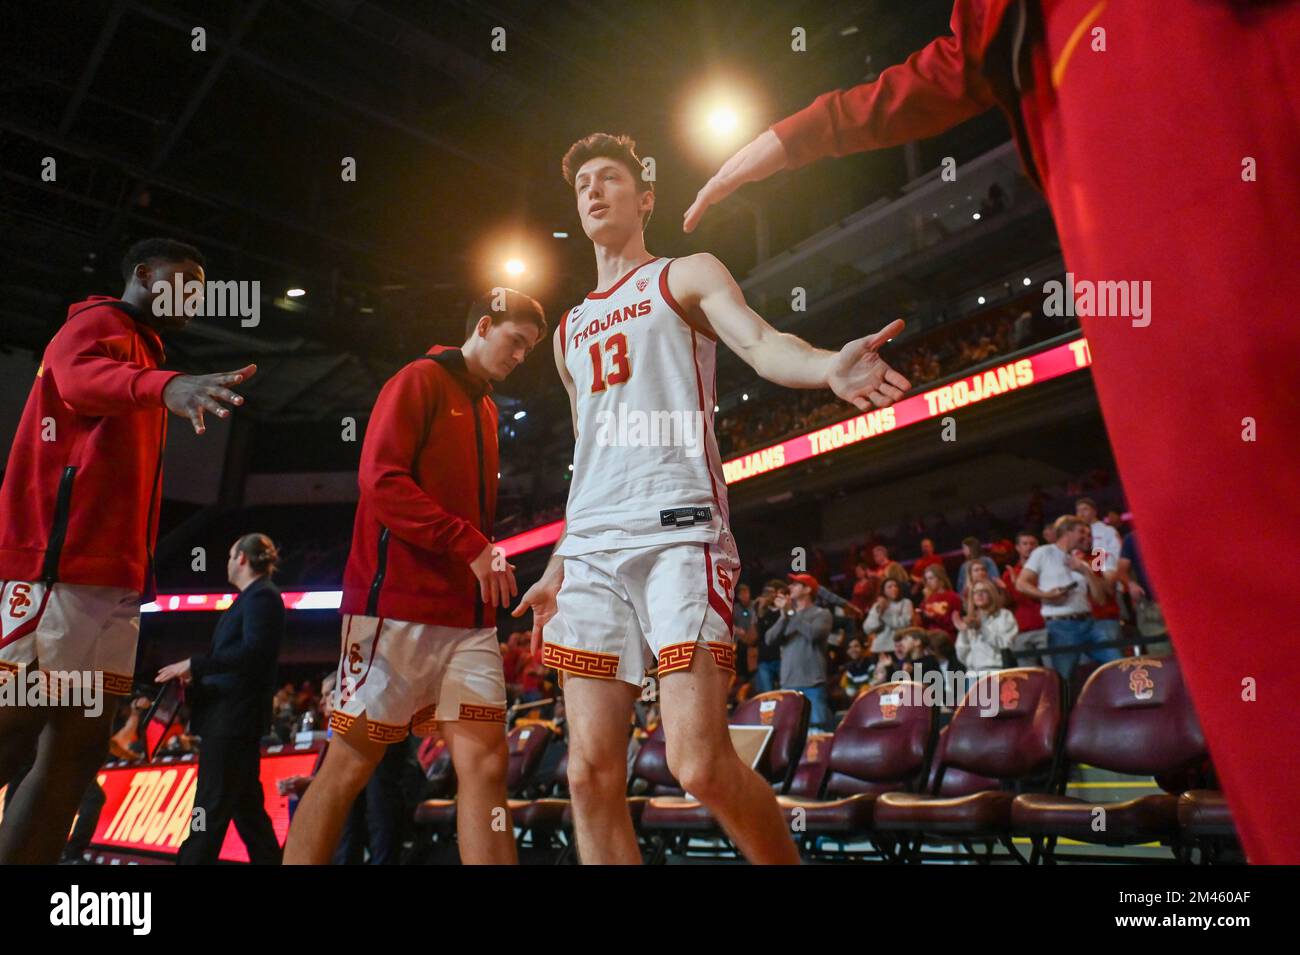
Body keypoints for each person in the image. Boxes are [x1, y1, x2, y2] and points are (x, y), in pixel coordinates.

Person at [681, 0, 1300, 863]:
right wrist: (788, 140)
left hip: (1224, 108)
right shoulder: (1005, 29)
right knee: (1239, 585)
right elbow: (936, 75)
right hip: (1130, 237)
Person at [512, 132, 910, 865]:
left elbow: (760, 341)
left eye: (609, 179)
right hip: (593, 550)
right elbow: (587, 455)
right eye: (582, 186)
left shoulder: (685, 274)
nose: (594, 191)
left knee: (696, 762)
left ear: (646, 196)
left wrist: (827, 368)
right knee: (589, 772)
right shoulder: (567, 331)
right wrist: (558, 559)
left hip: (677, 532)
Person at [0, 238, 256, 864]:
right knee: (14, 731)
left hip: (110, 583)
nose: (194, 294)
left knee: (76, 752)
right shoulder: (94, 324)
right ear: (143, 275)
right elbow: (81, 381)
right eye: (183, 280)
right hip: (57, 572)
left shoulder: (146, 351)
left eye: (202, 286)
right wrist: (165, 388)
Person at [284, 289, 546, 866]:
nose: (522, 356)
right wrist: (471, 544)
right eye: (517, 342)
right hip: (393, 607)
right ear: (483, 325)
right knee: (351, 763)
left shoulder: (486, 407)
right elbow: (381, 481)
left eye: (530, 349)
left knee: (486, 766)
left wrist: (480, 554)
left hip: (466, 618)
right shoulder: (419, 379)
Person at [158, 534, 286, 865]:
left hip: (232, 721)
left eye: (230, 555)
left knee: (209, 810)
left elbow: (254, 654)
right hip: (231, 720)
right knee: (249, 814)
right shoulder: (254, 598)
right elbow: (241, 657)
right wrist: (199, 674)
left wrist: (194, 664)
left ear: (242, 558)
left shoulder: (262, 598)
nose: (227, 562)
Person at [1015, 516, 1114, 678]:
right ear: (1067, 532)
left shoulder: (1082, 562)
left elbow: (1100, 599)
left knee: (1117, 664)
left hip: (1089, 624)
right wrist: (1046, 595)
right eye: (1081, 532)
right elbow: (1021, 583)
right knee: (1063, 680)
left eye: (1088, 533)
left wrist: (1086, 572)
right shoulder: (1044, 552)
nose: (1086, 537)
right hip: (1061, 627)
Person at [764, 574, 833, 731]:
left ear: (808, 589)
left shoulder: (821, 614)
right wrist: (784, 616)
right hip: (788, 684)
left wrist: (790, 614)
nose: (790, 587)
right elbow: (769, 639)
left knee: (816, 732)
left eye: (796, 584)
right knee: (790, 732)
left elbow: (813, 634)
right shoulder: (788, 615)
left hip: (812, 683)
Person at [953, 580, 1019, 673]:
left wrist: (981, 628)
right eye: (975, 592)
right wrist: (963, 632)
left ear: (992, 594)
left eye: (984, 591)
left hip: (996, 671)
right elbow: (961, 655)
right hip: (972, 674)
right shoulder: (971, 620)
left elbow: (1006, 645)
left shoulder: (1004, 615)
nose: (979, 595)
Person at [1003, 531, 1047, 666]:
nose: (1029, 547)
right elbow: (1008, 603)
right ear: (1018, 547)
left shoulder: (1046, 570)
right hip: (1021, 631)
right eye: (1025, 543)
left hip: (1045, 628)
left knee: (1054, 674)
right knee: (1029, 678)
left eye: (1033, 543)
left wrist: (1020, 585)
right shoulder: (1009, 574)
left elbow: (1047, 596)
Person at [751, 580, 787, 694]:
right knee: (768, 694)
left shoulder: (782, 611)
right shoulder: (759, 611)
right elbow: (757, 635)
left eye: (772, 592)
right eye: (766, 592)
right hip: (764, 659)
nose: (769, 595)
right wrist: (759, 611)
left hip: (781, 657)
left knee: (786, 691)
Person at [863, 577, 914, 654]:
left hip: (898, 647)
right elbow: (867, 628)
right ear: (883, 591)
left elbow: (904, 624)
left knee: (917, 665)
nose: (894, 588)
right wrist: (879, 612)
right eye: (889, 587)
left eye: (896, 586)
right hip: (879, 648)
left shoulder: (906, 602)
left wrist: (885, 612)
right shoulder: (877, 605)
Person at [917, 564, 962, 638]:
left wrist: (935, 616)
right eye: (927, 579)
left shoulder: (953, 597)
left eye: (931, 578)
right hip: (931, 637)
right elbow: (923, 624)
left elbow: (953, 623)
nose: (928, 582)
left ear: (940, 578)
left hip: (948, 637)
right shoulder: (927, 598)